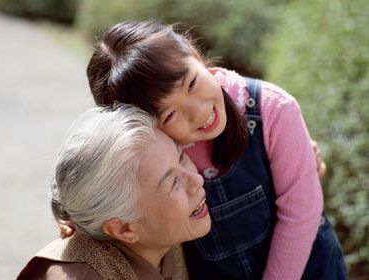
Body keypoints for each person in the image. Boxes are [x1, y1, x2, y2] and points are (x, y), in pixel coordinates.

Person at [82, 21, 347, 280]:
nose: (197, 112)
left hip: (310, 267)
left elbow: (301, 214)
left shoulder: (273, 109)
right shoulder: (155, 150)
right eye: (171, 114)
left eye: (191, 84)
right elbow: (93, 168)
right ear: (146, 126)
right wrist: (72, 213)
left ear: (194, 54)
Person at [18, 104, 211, 279]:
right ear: (123, 229)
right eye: (173, 182)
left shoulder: (163, 240)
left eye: (181, 157)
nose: (197, 180)